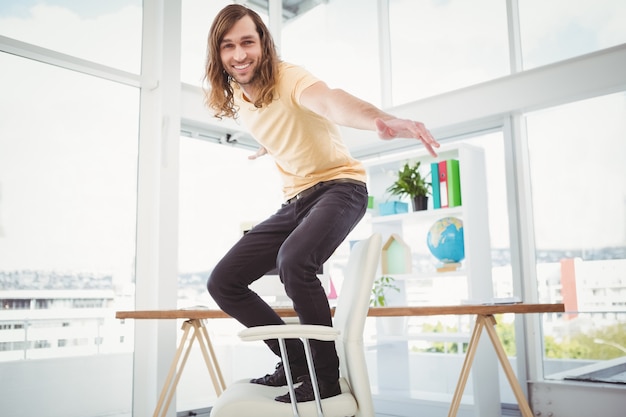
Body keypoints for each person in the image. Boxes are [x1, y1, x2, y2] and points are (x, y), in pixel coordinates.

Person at [204, 4, 439, 403]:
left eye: (247, 41)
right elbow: (283, 123)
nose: (239, 54)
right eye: (229, 46)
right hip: (295, 201)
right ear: (218, 54)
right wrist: (272, 144)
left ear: (263, 42)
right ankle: (295, 363)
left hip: (340, 188)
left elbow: (330, 101)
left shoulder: (288, 76)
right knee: (223, 281)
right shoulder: (239, 96)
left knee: (294, 262)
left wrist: (379, 120)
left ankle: (324, 377)